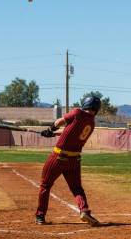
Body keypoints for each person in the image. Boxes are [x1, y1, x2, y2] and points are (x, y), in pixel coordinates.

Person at [35, 96, 101, 227]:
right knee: (77, 188)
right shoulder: (91, 123)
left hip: (59, 158)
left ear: (85, 104)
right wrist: (53, 134)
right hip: (74, 160)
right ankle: (84, 210)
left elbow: (60, 122)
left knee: (45, 185)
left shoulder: (77, 112)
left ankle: (40, 216)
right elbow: (71, 131)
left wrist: (50, 130)